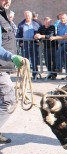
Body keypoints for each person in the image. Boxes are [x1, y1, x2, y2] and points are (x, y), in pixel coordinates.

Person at [0, 0, 24, 144]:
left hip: (4, 67)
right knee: (9, 101)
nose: (7, 1)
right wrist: (12, 56)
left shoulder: (4, 16)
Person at [16, 10, 40, 79]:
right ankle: (25, 74)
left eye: (29, 15)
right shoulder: (21, 24)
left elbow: (39, 32)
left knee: (34, 59)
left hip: (34, 43)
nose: (27, 17)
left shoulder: (35, 24)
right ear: (24, 16)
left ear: (31, 16)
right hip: (25, 44)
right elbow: (18, 34)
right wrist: (20, 42)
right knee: (25, 59)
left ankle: (35, 74)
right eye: (26, 15)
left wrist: (39, 40)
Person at [49, 13, 67, 80]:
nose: (62, 20)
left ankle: (59, 68)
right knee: (66, 60)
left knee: (58, 52)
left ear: (66, 18)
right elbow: (55, 30)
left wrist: (55, 38)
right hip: (62, 44)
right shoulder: (59, 24)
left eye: (63, 18)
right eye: (61, 18)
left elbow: (65, 36)